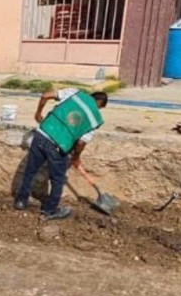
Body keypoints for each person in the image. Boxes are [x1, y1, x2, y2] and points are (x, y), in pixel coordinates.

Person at [14, 89, 109, 220]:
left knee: (30, 170)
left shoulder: (75, 93)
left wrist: (38, 113)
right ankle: (50, 210)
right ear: (100, 104)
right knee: (58, 180)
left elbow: (45, 95)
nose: (98, 110)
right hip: (59, 146)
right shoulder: (95, 120)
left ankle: (21, 201)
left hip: (42, 133)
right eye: (100, 108)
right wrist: (76, 157)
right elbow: (81, 143)